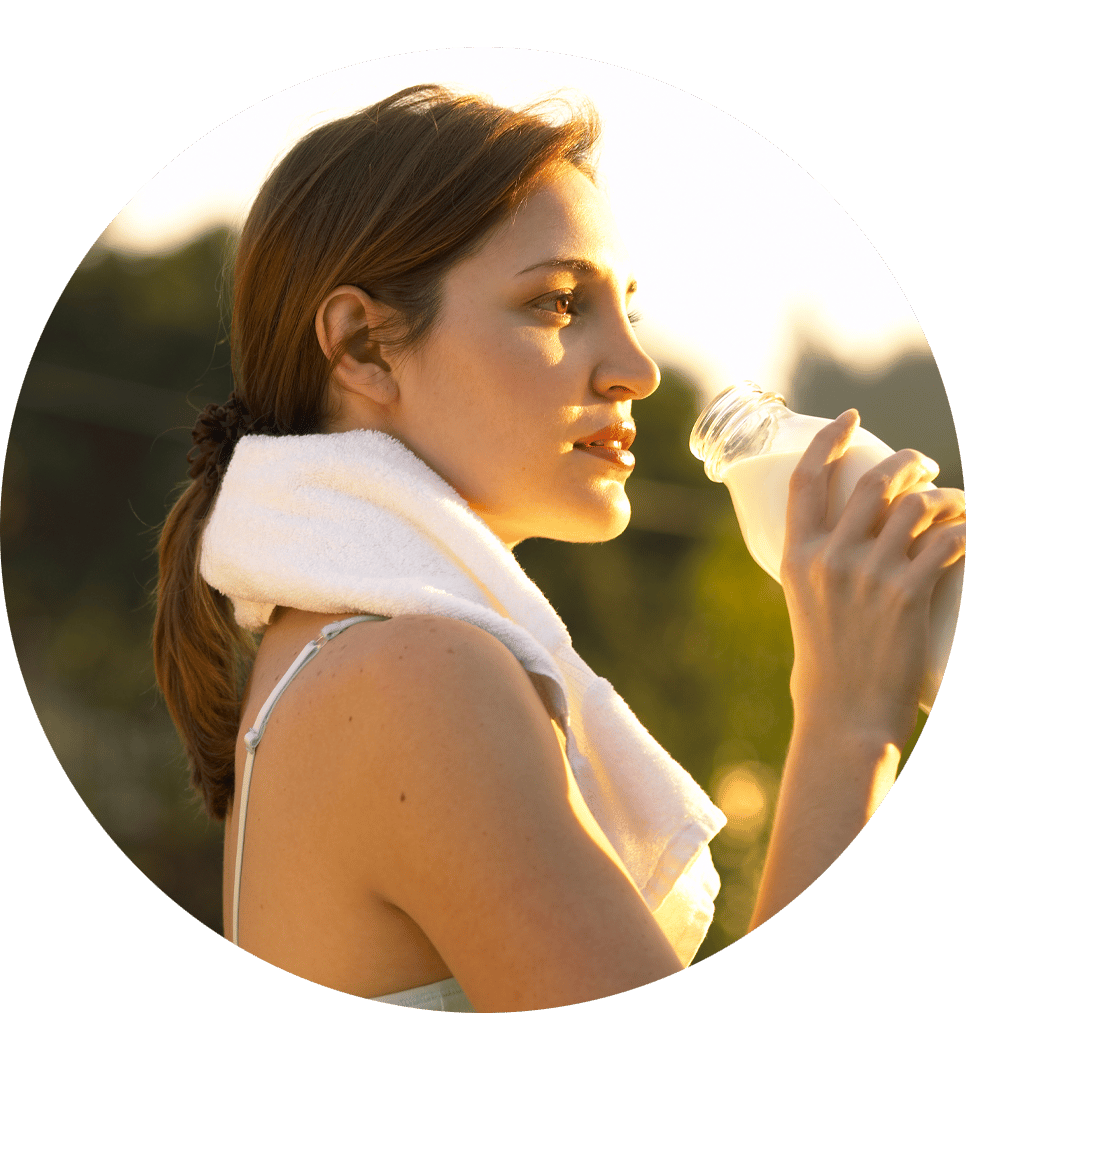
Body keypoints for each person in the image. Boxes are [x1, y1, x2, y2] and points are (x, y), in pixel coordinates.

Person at [154, 85, 966, 1013]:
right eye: (557, 303)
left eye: (626, 309)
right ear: (363, 345)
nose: (639, 370)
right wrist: (848, 721)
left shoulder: (341, 655)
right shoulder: (413, 674)